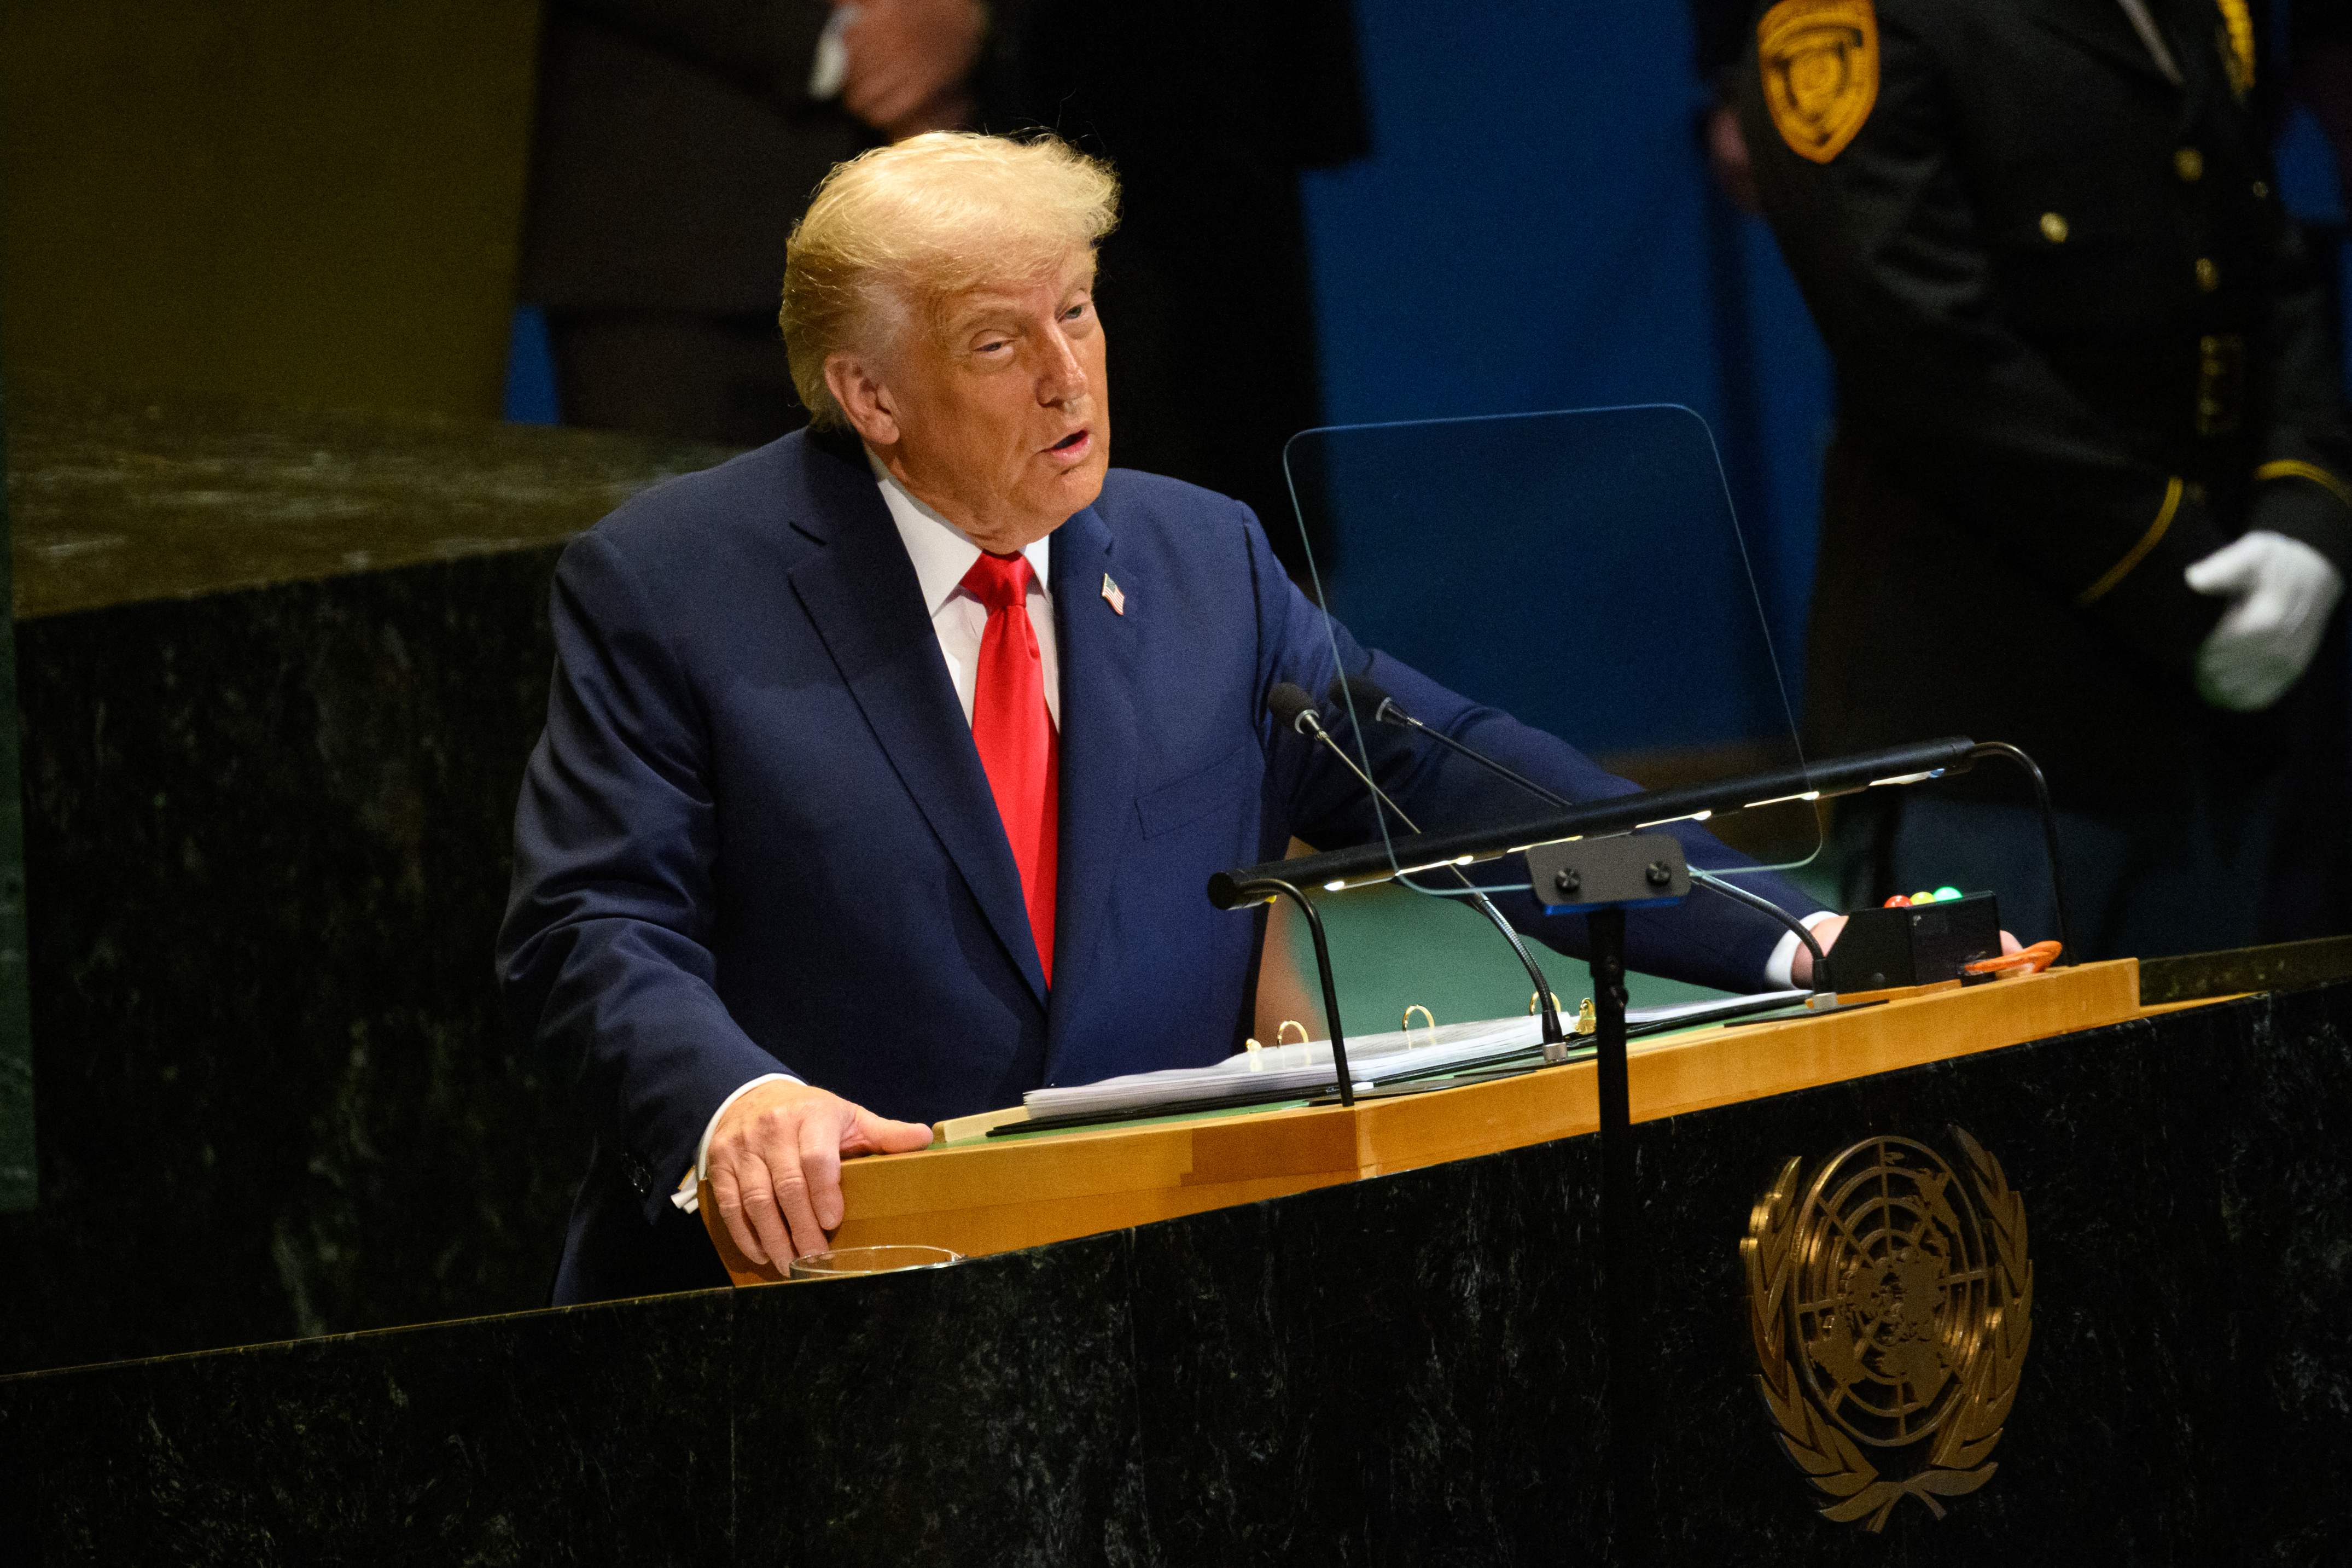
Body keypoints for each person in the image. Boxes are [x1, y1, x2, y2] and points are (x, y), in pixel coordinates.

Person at [497, 133, 1850, 1305]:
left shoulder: (1204, 556)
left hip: (1153, 1291)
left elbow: (1470, 793)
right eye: (996, 341)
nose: (1064, 376)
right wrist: (736, 1100)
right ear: (871, 397)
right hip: (811, 1301)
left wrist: (1789, 934)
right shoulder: (679, 584)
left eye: (1077, 315)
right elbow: (594, 924)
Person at [1736, 0, 2352, 957]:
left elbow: (2268, 267)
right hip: (1995, 728)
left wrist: (2307, 510)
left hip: (2219, 713)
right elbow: (1924, 352)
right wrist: (2185, 574)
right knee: (1986, 1100)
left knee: (2225, 1095)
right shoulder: (1853, 20)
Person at [519, 0, 992, 447]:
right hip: (678, 256)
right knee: (677, 522)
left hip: (944, 249)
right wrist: (837, 40)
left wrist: (972, 21)